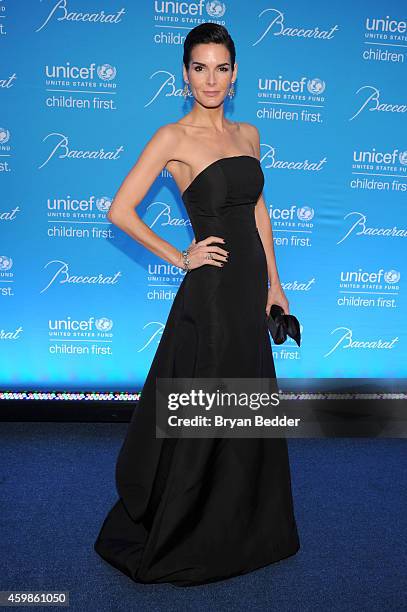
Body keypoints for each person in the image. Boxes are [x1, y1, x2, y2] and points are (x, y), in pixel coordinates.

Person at [94, 23, 300, 587]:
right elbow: (120, 210)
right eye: (201, 67)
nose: (211, 78)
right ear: (185, 74)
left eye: (222, 67)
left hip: (250, 285)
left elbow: (259, 213)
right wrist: (179, 255)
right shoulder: (172, 137)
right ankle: (190, 525)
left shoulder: (249, 133)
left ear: (234, 76)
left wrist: (275, 285)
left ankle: (246, 525)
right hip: (210, 290)